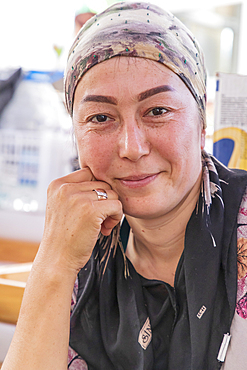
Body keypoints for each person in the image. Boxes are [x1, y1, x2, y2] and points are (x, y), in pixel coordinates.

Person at [2, 2, 247, 369]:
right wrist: (53, 263)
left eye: (158, 111)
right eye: (100, 117)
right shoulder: (77, 248)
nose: (131, 148)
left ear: (201, 123)